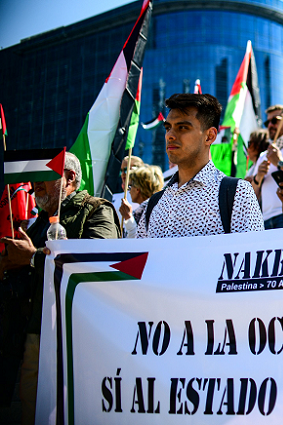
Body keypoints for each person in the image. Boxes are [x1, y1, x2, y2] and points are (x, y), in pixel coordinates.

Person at [0, 152, 120, 424]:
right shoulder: (39, 222)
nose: (35, 185)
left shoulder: (97, 210)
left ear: (71, 177)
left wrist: (32, 257)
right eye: (33, 179)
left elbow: (99, 266)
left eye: (44, 176)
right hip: (32, 332)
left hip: (74, 336)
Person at [136, 93, 263, 237]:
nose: (169, 135)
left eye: (182, 127)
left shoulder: (237, 193)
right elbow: (141, 258)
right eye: (168, 128)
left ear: (210, 136)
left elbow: (250, 257)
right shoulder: (153, 204)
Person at [251, 106, 283, 229]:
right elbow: (253, 194)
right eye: (267, 122)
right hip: (265, 218)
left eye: (275, 120)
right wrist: (258, 177)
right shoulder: (264, 155)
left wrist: (280, 163)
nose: (270, 125)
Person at [119, 165, 164, 238]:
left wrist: (128, 217)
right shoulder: (157, 205)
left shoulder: (153, 210)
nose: (128, 190)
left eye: (130, 186)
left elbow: (139, 241)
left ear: (138, 189)